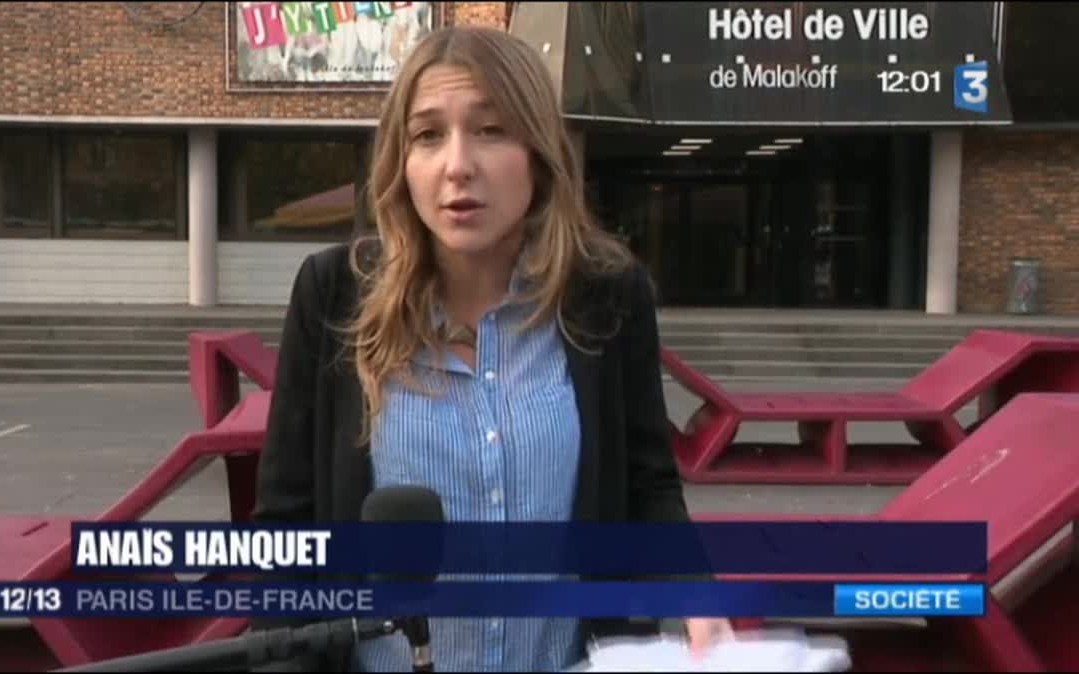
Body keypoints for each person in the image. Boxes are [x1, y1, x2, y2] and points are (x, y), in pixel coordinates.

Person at [253, 24, 733, 673]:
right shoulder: (334, 294)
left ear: (538, 151)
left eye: (491, 129)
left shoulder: (608, 296)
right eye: (428, 135)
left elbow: (647, 485)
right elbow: (286, 532)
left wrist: (697, 598)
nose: (457, 165)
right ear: (401, 161)